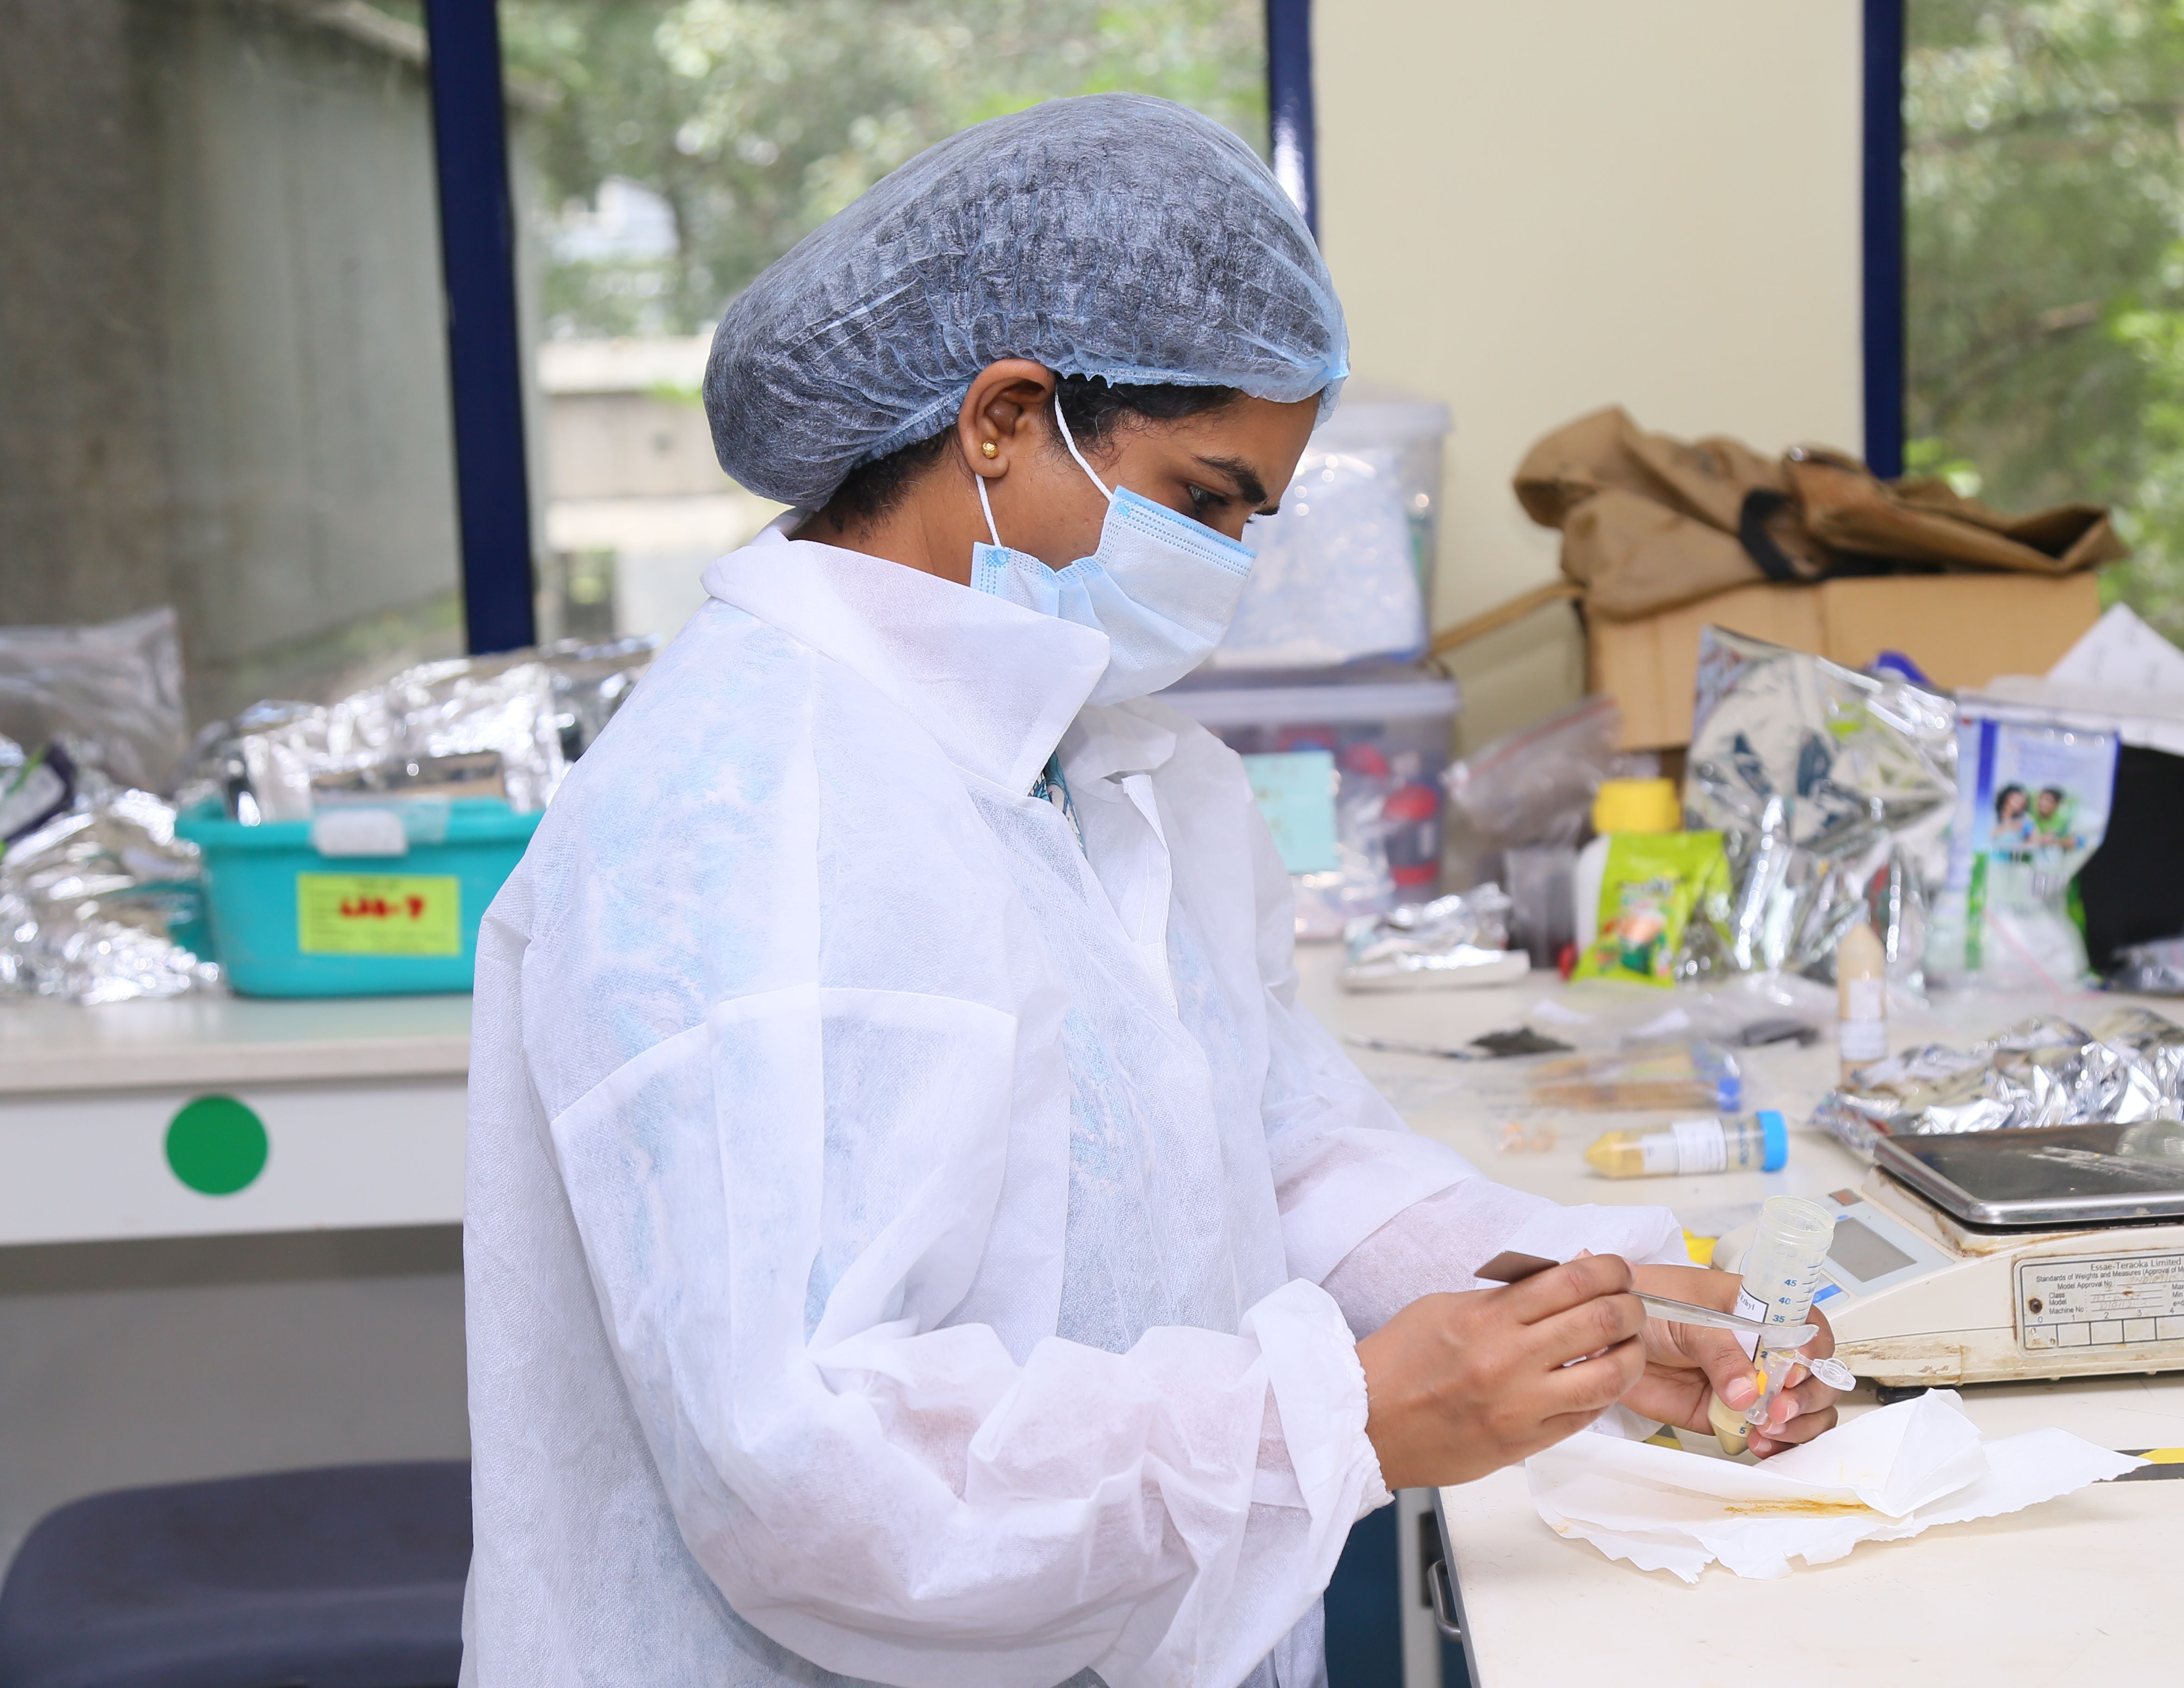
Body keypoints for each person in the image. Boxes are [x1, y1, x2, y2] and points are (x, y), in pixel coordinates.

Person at [460, 93, 1840, 1688]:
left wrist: (1591, 1297)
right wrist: (1337, 1416)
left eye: (1252, 512)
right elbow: (815, 1474)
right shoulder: (745, 822)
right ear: (1002, 418)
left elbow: (1284, 1154)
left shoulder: (1116, 766)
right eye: (1202, 499)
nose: (1230, 566)